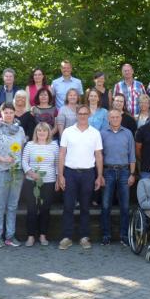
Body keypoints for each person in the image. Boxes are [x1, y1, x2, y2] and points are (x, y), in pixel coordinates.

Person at [57, 105, 104, 250]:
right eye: (80, 113)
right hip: (70, 173)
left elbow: (98, 156)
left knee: (85, 207)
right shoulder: (67, 131)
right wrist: (60, 175)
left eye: (85, 113)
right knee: (68, 206)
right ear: (76, 115)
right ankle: (67, 237)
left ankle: (84, 237)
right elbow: (62, 154)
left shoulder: (95, 133)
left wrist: (99, 176)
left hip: (88, 173)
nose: (82, 116)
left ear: (89, 115)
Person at [0, 103, 28, 247]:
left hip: (16, 171)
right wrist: (4, 159)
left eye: (11, 112)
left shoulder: (21, 130)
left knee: (12, 205)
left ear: (14, 113)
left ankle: (10, 236)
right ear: (2, 113)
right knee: (0, 205)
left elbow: (22, 150)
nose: (9, 114)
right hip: (0, 170)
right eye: (6, 112)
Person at [100, 109, 136, 246]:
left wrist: (132, 174)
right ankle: (106, 235)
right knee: (105, 205)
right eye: (112, 117)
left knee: (125, 206)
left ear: (121, 118)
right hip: (107, 171)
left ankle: (124, 235)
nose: (115, 119)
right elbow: (99, 155)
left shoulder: (127, 133)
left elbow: (132, 155)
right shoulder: (102, 133)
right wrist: (100, 174)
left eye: (117, 117)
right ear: (108, 119)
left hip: (124, 172)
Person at [22, 122, 60, 247]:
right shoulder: (29, 145)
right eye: (39, 131)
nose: (42, 133)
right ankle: (31, 236)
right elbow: (24, 161)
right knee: (32, 209)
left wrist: (58, 178)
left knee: (45, 209)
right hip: (31, 181)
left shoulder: (54, 145)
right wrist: (31, 173)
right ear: (36, 132)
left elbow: (57, 163)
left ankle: (43, 235)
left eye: (44, 131)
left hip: (48, 181)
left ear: (48, 132)